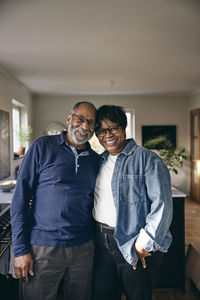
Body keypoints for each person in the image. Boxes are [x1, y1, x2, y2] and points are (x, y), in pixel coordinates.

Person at [11, 101, 100, 300]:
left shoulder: (95, 160)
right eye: (80, 119)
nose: (85, 126)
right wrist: (20, 250)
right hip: (42, 248)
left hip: (83, 249)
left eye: (91, 122)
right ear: (69, 119)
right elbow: (20, 201)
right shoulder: (42, 147)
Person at [92, 105, 173, 300]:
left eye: (113, 128)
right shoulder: (99, 161)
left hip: (134, 242)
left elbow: (162, 206)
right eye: (101, 130)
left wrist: (142, 244)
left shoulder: (148, 159)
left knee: (138, 296)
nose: (107, 135)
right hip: (101, 243)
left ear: (124, 127)